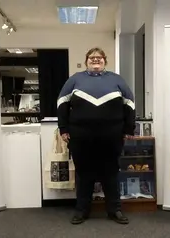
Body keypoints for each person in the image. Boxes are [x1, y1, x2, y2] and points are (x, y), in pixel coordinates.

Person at [57, 47, 135, 225]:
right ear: (86, 61)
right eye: (92, 57)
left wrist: (129, 129)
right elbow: (61, 103)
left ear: (105, 61)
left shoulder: (117, 80)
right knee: (84, 174)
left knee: (111, 173)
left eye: (99, 57)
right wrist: (63, 128)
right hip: (81, 136)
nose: (95, 60)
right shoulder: (75, 79)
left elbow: (129, 103)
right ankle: (81, 210)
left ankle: (114, 210)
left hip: (111, 136)